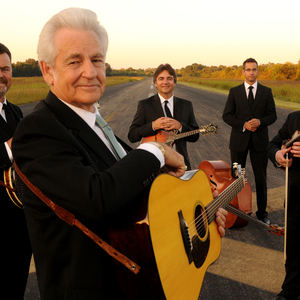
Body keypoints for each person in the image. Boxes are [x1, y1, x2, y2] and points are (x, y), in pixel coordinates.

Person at [11, 8, 227, 300]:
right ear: (48, 70)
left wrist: (198, 214)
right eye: (75, 61)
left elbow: (135, 196)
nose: (90, 71)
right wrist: (157, 149)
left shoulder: (95, 123)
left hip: (134, 282)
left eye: (97, 60)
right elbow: (98, 197)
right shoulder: (38, 129)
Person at [222, 57, 277, 225]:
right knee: (236, 178)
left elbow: (272, 115)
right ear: (243, 72)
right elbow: (227, 116)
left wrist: (260, 122)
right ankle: (235, 212)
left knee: (261, 178)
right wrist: (244, 125)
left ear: (258, 72)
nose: (251, 72)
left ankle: (262, 213)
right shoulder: (234, 92)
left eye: (254, 69)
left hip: (260, 143)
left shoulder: (266, 92)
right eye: (248, 69)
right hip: (239, 142)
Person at [0, 43, 32, 298]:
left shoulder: (15, 111)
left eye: (5, 69)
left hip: (21, 224)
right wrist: (9, 148)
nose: (1, 75)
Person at [128, 63, 199, 170]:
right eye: (161, 79)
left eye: (169, 78)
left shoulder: (186, 105)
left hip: (181, 166)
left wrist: (180, 126)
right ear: (155, 83)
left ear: (174, 82)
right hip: (154, 167)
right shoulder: (145, 105)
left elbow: (195, 136)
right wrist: (153, 126)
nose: (165, 82)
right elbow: (132, 135)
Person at [268, 112, 300, 300]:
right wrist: (277, 154)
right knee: (294, 242)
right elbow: (272, 144)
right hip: (295, 192)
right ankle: (292, 288)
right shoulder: (294, 118)